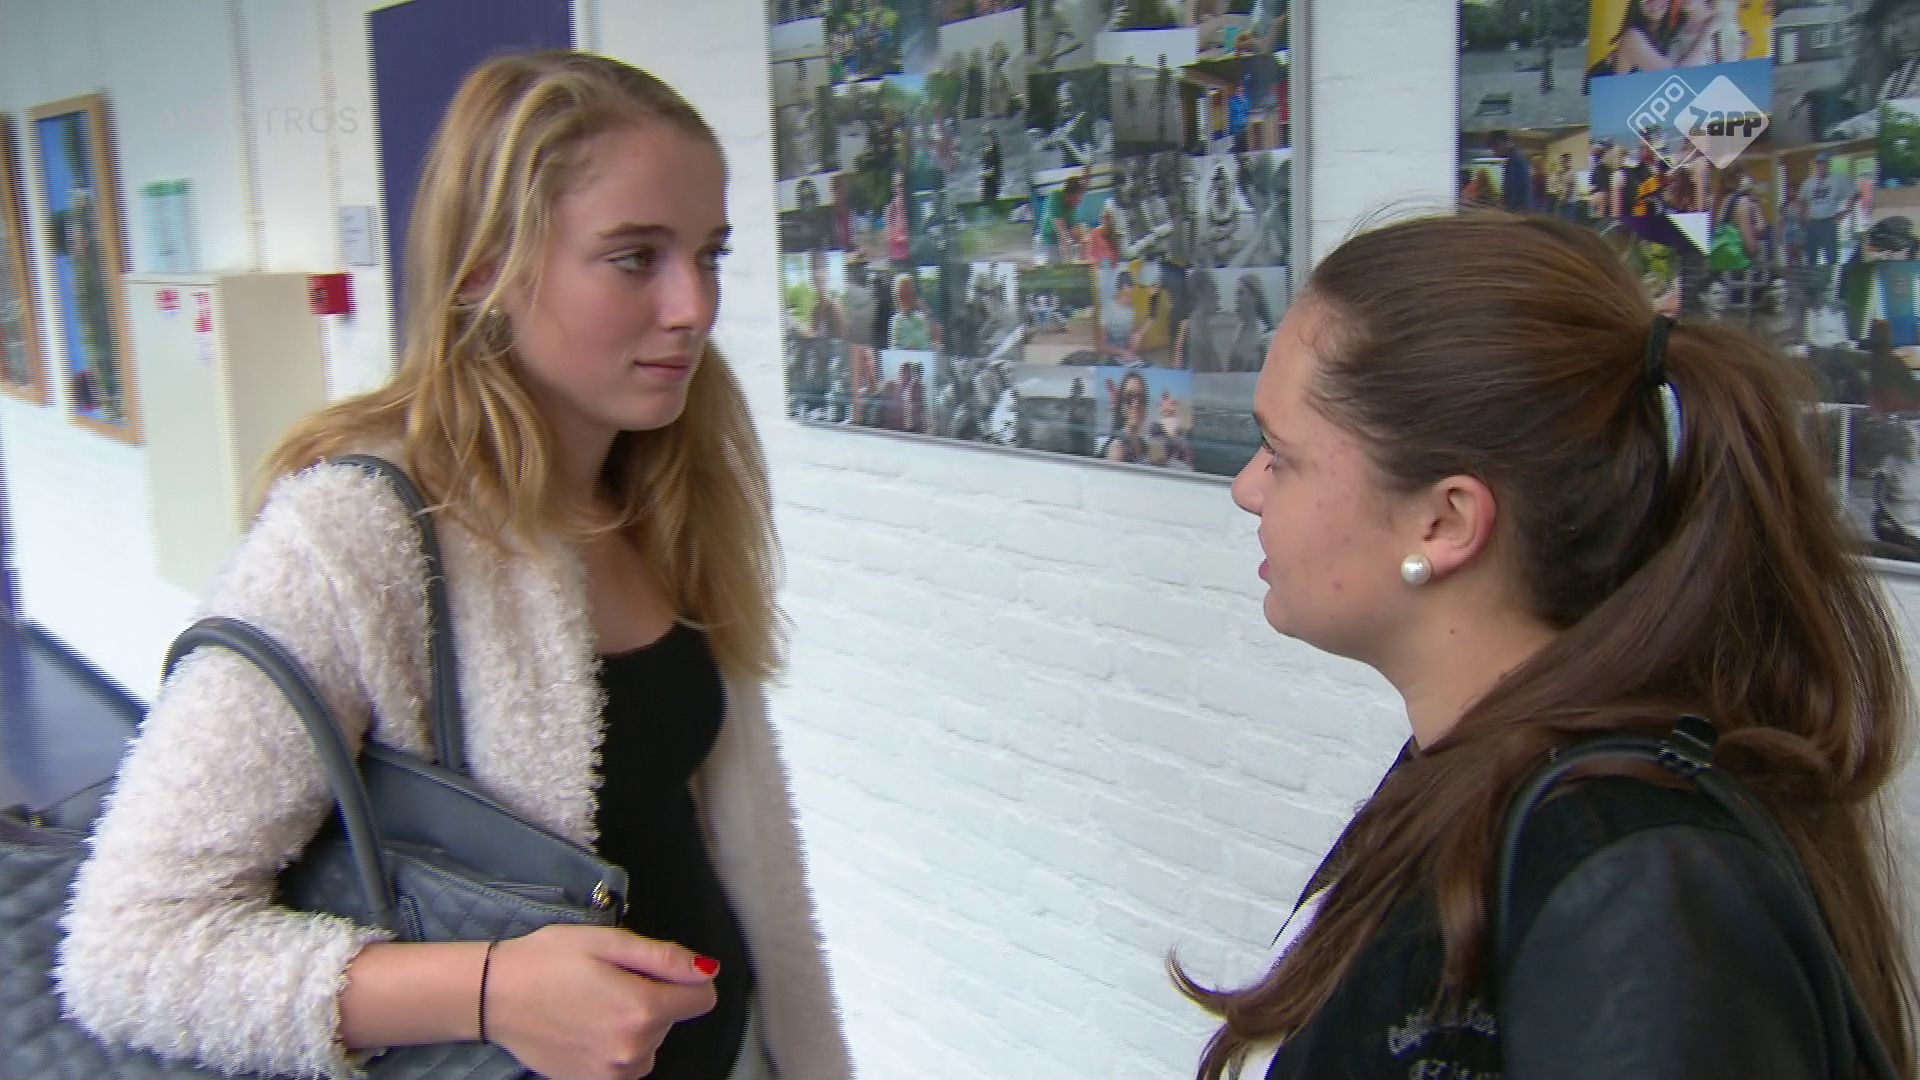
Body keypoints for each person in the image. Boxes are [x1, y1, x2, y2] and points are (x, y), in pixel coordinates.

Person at [55, 50, 852, 1080]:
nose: (693, 305)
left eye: (710, 255)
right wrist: (493, 991)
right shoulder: (355, 534)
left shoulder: (665, 485)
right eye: (634, 258)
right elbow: (127, 951)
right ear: (485, 270)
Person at [1179, 211, 1916, 1079]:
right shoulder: (1479, 776)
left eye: (1280, 454)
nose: (1246, 488)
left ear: (1445, 521)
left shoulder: (1640, 895)